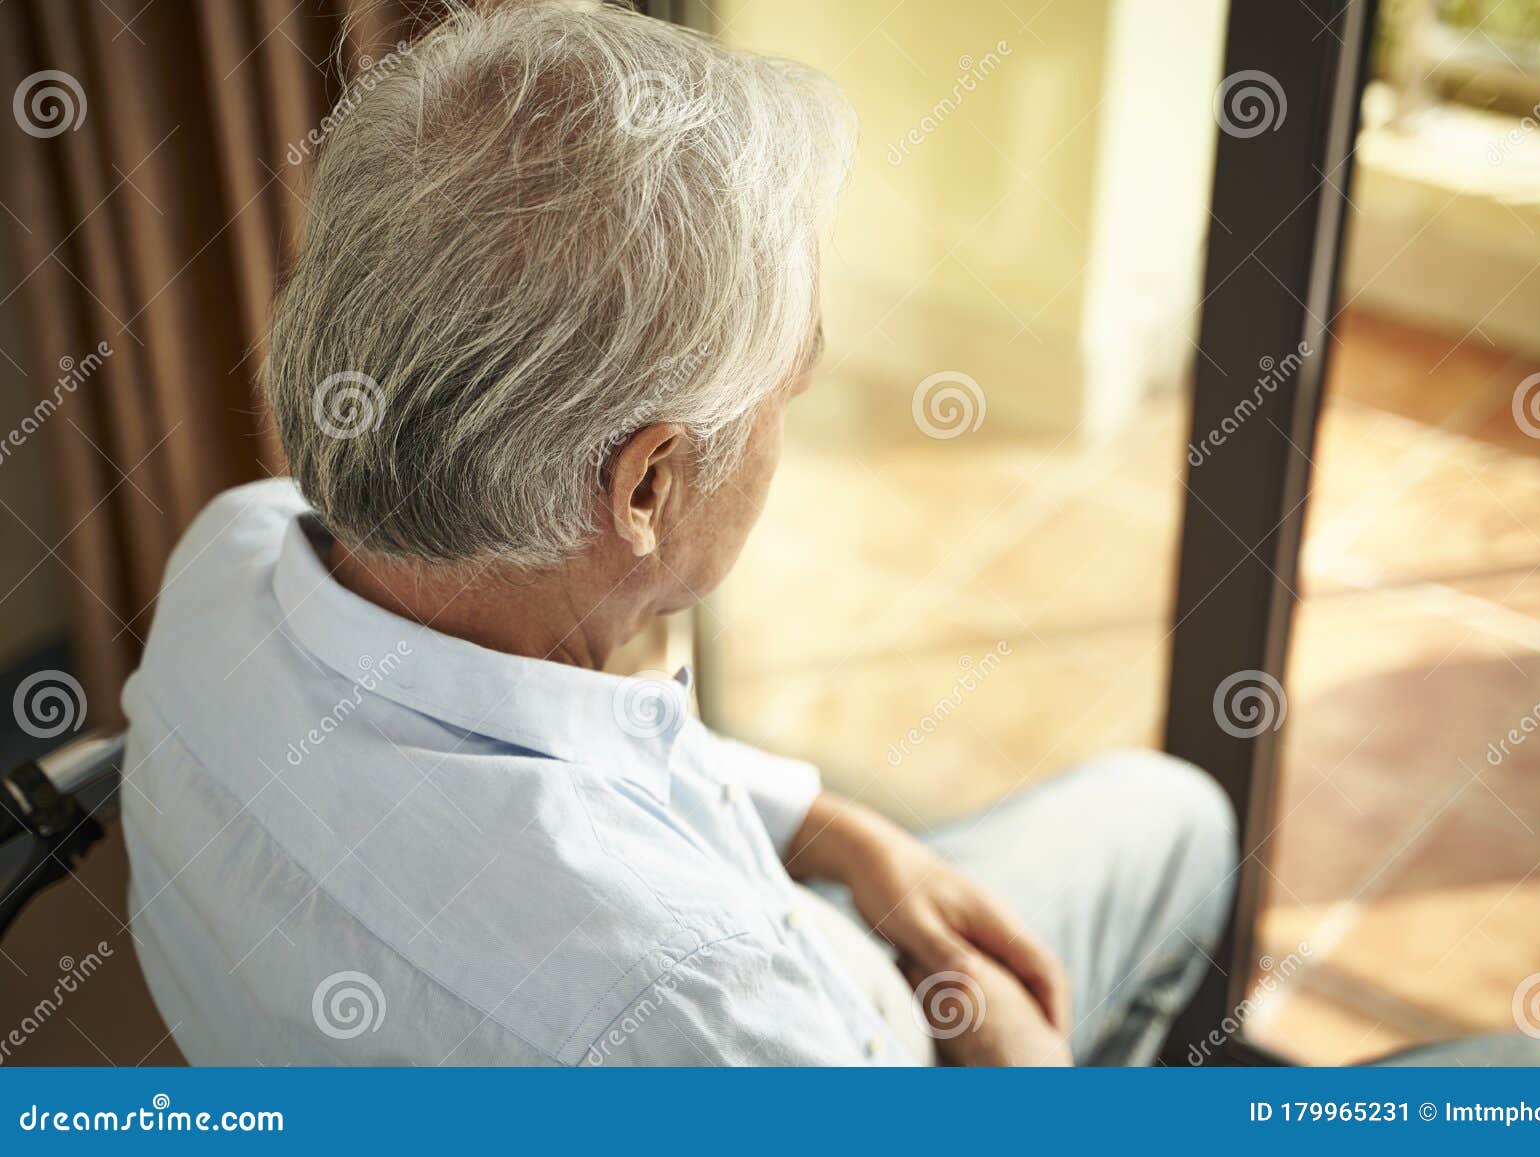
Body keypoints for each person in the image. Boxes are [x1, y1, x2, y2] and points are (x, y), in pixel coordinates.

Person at [120, 0, 1235, 1066]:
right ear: (646, 483)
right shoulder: (713, 1017)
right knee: (1176, 818)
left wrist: (835, 827)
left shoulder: (231, 553)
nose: (793, 406)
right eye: (787, 384)